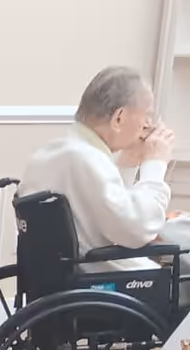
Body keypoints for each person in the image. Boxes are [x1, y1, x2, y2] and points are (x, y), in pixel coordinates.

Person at [19, 65, 183, 272]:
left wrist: (128, 161)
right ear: (119, 118)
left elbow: (105, 208)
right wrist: (155, 164)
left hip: (58, 275)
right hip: (96, 278)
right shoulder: (86, 159)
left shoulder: (60, 151)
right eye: (146, 115)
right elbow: (137, 230)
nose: (147, 124)